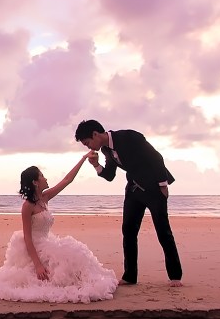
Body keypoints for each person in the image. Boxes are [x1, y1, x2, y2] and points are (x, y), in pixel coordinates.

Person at [0, 152, 118, 304]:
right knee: (60, 266)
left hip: (47, 242)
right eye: (42, 176)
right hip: (34, 247)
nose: (46, 178)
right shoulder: (27, 206)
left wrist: (84, 159)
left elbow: (67, 180)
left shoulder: (45, 197)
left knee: (75, 254)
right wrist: (38, 265)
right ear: (35, 182)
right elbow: (27, 237)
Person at [74, 119, 183, 287]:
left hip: (154, 188)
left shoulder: (129, 137)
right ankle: (130, 276)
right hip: (133, 190)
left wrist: (163, 184)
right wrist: (96, 166)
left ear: (95, 134)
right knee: (128, 231)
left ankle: (175, 276)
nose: (89, 148)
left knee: (163, 231)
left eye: (88, 143)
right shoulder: (106, 150)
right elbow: (110, 175)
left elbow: (156, 157)